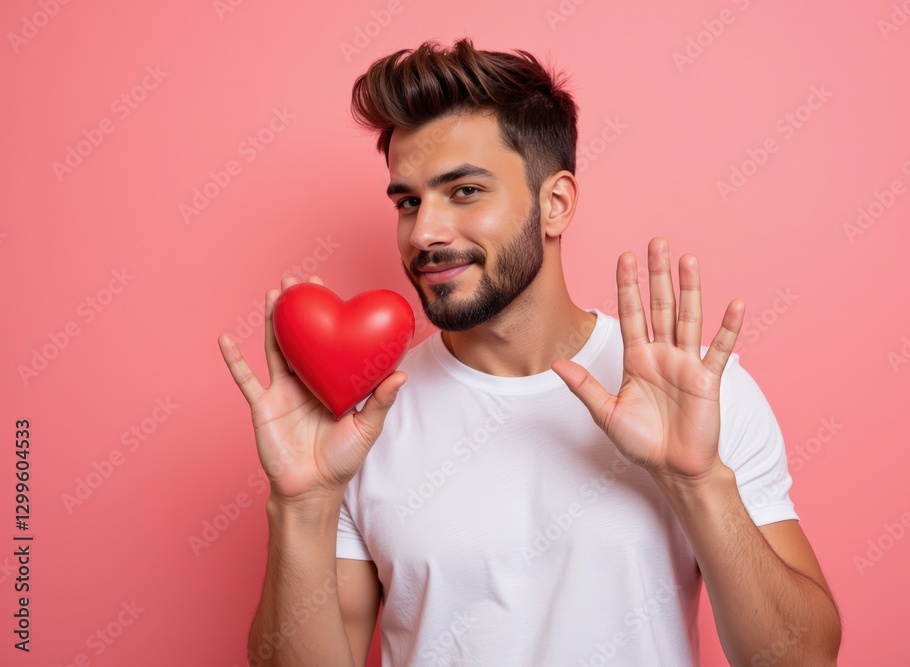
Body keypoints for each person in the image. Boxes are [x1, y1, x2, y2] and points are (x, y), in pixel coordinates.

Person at [218, 38, 842, 667]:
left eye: (463, 191)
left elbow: (801, 660)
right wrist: (300, 504)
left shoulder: (698, 390)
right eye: (407, 201)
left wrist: (698, 481)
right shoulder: (363, 421)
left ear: (556, 203)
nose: (424, 232)